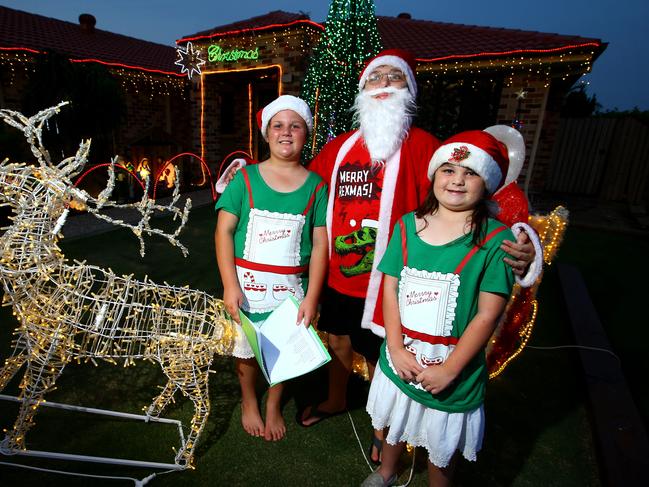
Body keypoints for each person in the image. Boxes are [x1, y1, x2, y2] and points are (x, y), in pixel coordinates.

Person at [299, 49, 540, 465]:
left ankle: (384, 428)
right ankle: (336, 400)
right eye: (375, 77)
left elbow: (483, 190)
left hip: (397, 282)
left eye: (395, 77)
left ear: (408, 90)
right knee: (337, 338)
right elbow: (304, 190)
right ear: (362, 89)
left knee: (383, 355)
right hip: (343, 275)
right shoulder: (338, 148)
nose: (384, 85)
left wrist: (525, 241)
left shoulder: (429, 146)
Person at [361, 130, 516, 487]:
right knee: (396, 422)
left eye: (471, 173)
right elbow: (391, 288)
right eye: (448, 169)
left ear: (487, 182)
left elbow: (487, 314)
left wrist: (450, 369)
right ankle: (386, 471)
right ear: (434, 176)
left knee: (440, 444)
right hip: (403, 356)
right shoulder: (405, 226)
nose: (457, 180)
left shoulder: (496, 240)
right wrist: (396, 348)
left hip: (450, 364)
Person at [215, 95, 328, 441]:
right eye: (278, 125)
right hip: (246, 287)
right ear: (266, 133)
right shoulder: (245, 179)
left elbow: (321, 243)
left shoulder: (316, 186)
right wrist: (229, 285)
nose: (286, 132)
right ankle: (250, 399)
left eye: (295, 126)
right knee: (246, 351)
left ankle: (273, 403)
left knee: (282, 349)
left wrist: (311, 296)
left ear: (306, 134)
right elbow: (224, 230)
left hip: (291, 292)